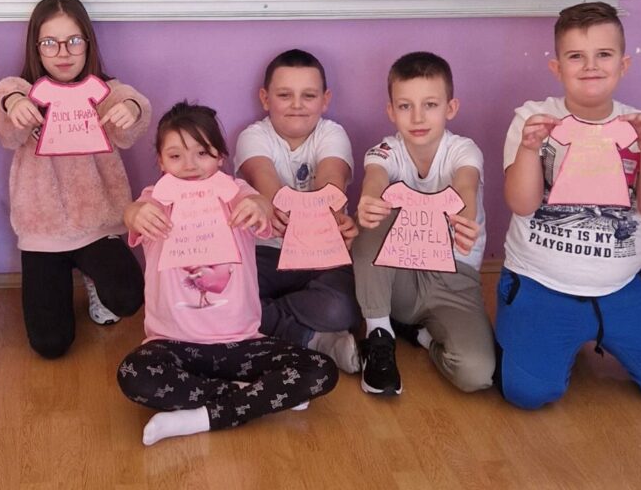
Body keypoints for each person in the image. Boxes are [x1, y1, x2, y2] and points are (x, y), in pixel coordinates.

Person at [117, 101, 338, 446]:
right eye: (175, 156)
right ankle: (250, 396)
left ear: (221, 157)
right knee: (134, 374)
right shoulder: (157, 199)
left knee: (320, 370)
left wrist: (257, 205)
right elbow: (135, 211)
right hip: (173, 346)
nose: (189, 165)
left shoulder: (236, 193)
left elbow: (262, 205)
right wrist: (134, 214)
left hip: (241, 344)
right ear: (160, 162)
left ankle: (199, 417)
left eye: (202, 153)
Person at [497, 1, 641, 408]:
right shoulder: (533, 118)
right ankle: (531, 333)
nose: (590, 66)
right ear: (557, 68)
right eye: (576, 56)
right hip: (541, 282)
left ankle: (626, 316)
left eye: (603, 54)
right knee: (529, 393)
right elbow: (521, 203)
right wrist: (529, 148)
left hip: (621, 285)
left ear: (623, 65)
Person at [0, 0, 150, 358]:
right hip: (43, 231)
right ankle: (61, 279)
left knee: (127, 297)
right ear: (36, 48)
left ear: (88, 43)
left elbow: (133, 105)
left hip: (97, 225)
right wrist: (15, 105)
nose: (63, 53)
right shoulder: (24, 92)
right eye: (50, 43)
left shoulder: (104, 91)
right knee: (50, 344)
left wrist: (131, 109)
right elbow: (6, 101)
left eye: (73, 41)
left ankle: (93, 277)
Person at [353, 51, 495, 397]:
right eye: (405, 106)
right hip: (399, 275)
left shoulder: (463, 150)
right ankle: (378, 333)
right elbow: (375, 177)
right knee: (376, 214)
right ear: (391, 111)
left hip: (453, 276)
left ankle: (420, 336)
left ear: (450, 108)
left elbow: (465, 185)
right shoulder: (386, 150)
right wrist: (369, 199)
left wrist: (462, 216)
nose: (417, 117)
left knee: (476, 373)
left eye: (430, 105)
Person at [234, 49, 361, 373]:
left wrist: (334, 217)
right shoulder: (253, 136)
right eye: (284, 95)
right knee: (225, 297)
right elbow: (268, 185)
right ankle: (313, 338)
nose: (297, 105)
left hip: (322, 256)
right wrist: (287, 210)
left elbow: (331, 183)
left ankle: (260, 320)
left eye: (308, 95)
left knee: (343, 308)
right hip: (267, 253)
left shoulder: (332, 133)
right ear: (265, 98)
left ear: (325, 100)